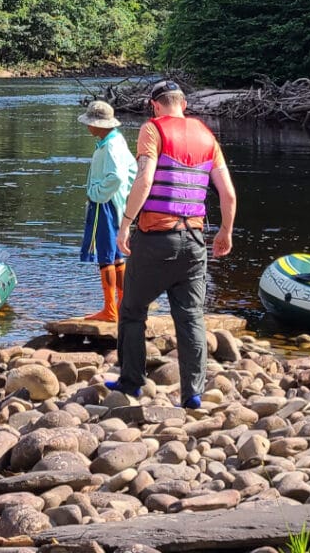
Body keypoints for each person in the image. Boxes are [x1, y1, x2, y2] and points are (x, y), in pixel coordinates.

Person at [107, 80, 237, 409]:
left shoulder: (153, 130)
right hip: (195, 240)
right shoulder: (207, 136)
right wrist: (225, 231)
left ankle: (132, 383)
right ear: (184, 103)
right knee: (191, 316)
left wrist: (125, 223)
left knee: (132, 311)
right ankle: (192, 394)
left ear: (155, 105)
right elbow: (228, 193)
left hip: (155, 239)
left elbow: (145, 178)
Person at [77, 100, 137, 321]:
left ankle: (110, 309)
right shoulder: (115, 140)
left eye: (90, 122)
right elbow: (133, 169)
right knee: (117, 255)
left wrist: (97, 193)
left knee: (105, 256)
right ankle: (121, 305)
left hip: (105, 206)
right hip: (116, 205)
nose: (87, 126)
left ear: (100, 124)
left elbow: (118, 176)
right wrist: (124, 194)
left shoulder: (110, 146)